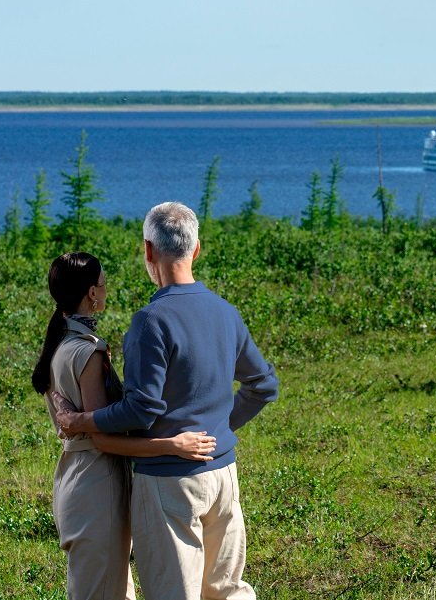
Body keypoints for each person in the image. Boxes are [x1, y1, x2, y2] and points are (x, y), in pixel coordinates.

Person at [57, 202, 279, 600]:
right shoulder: (227, 313)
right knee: (226, 590)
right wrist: (219, 428)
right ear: (196, 250)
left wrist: (85, 420)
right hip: (223, 474)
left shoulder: (150, 321)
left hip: (167, 483)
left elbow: (141, 410)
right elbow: (263, 385)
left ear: (148, 251)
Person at [33, 251, 218, 600]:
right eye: (103, 283)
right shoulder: (87, 353)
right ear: (92, 293)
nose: (105, 289)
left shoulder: (61, 344)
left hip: (76, 477)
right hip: (97, 486)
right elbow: (104, 441)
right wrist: (172, 445)